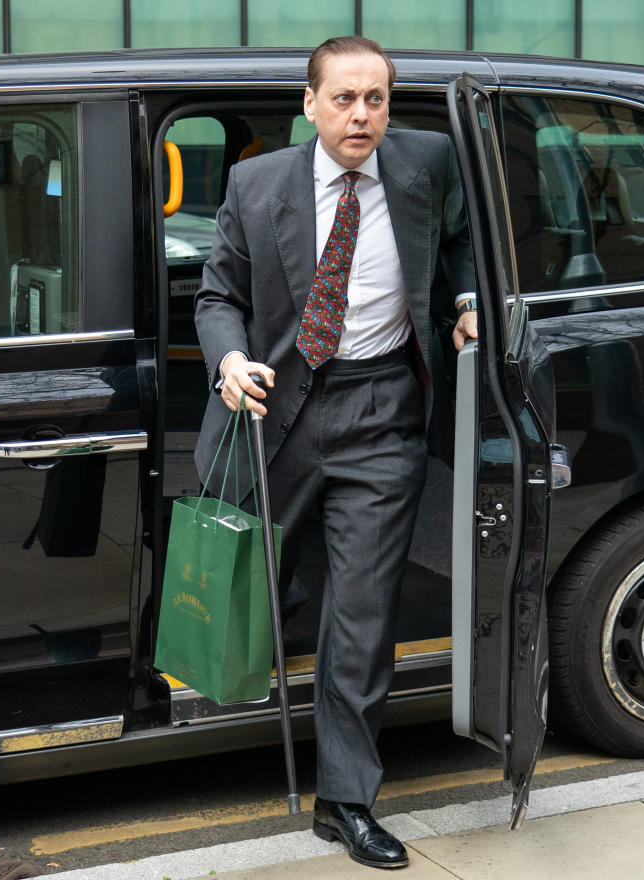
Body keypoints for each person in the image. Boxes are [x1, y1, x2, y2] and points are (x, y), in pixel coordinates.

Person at [193, 36, 477, 869]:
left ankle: (346, 801)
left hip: (383, 410)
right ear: (310, 104)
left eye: (377, 99)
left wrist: (464, 301)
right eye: (345, 99)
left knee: (361, 618)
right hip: (278, 408)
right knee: (245, 588)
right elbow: (219, 294)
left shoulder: (429, 162)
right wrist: (228, 360)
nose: (362, 116)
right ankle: (217, 717)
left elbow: (460, 243)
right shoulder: (257, 183)